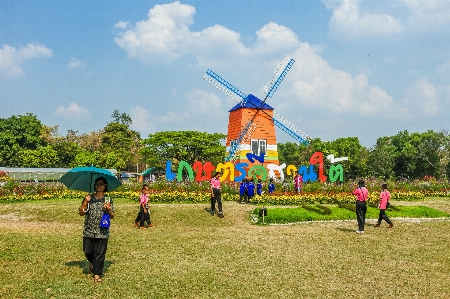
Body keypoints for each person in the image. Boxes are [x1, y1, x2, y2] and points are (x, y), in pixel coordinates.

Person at [78, 177, 115, 282]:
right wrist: (85, 202)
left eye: (101, 184)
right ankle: (93, 263)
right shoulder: (89, 198)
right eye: (97, 184)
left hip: (102, 230)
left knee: (100, 253)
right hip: (89, 229)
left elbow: (112, 215)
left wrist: (109, 210)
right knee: (87, 251)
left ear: (105, 187)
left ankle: (97, 274)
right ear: (94, 185)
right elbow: (81, 213)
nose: (99, 186)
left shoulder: (108, 199)